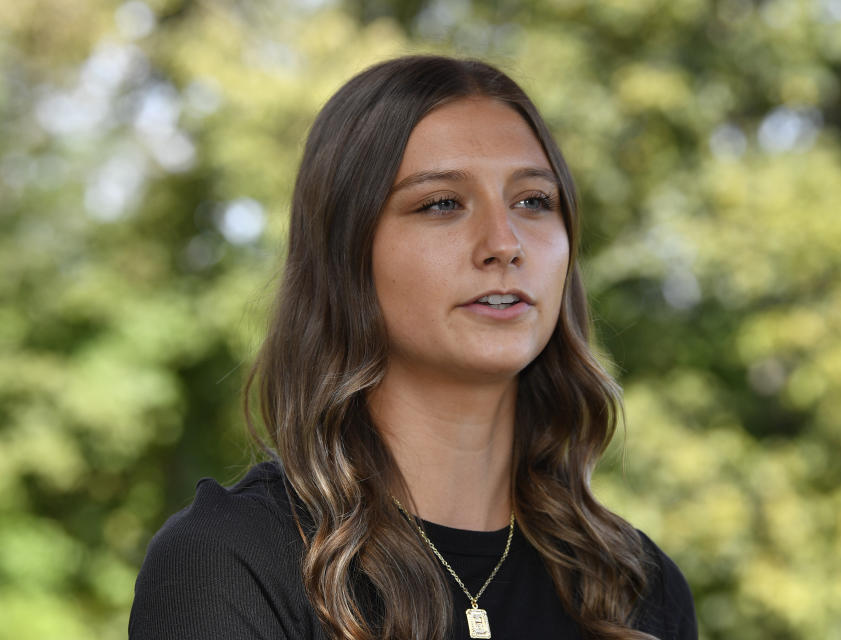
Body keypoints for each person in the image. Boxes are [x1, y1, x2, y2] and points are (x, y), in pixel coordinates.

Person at [129, 55, 697, 640]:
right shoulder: (231, 563)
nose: (504, 243)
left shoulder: (636, 589)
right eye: (442, 203)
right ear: (346, 253)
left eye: (533, 201)